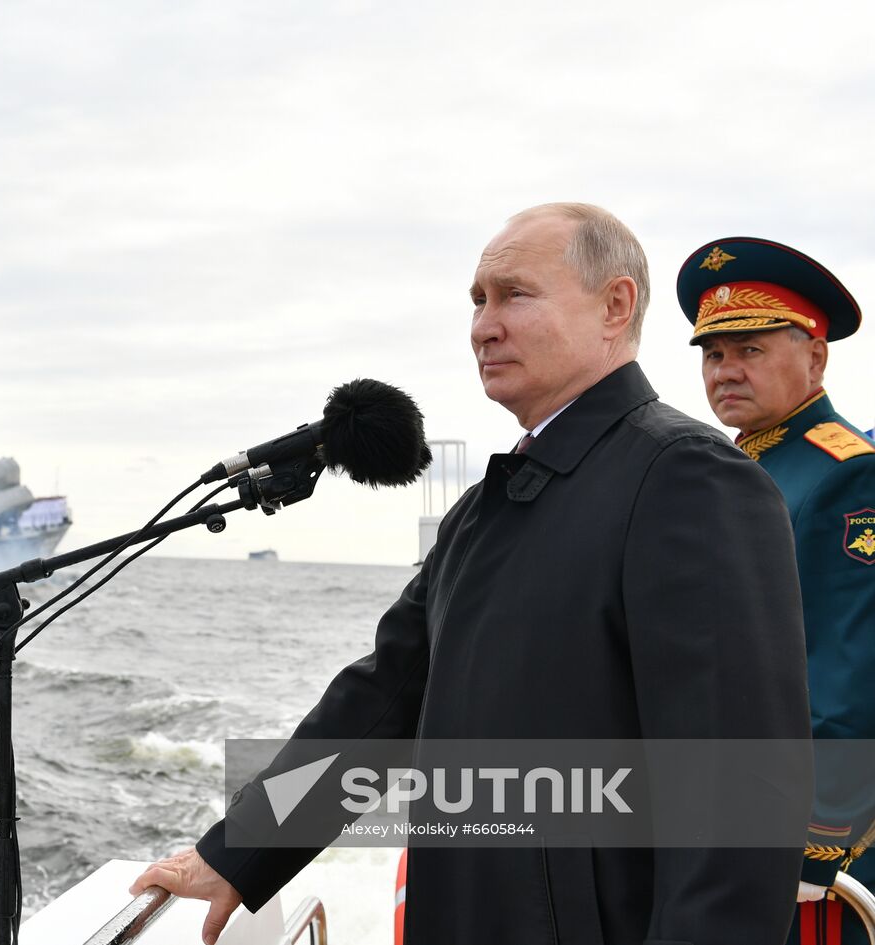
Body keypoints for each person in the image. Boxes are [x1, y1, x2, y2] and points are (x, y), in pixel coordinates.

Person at [131, 203, 813, 945]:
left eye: (514, 294)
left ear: (614, 306)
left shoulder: (685, 477)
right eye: (477, 300)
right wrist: (235, 852)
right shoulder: (485, 511)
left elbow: (741, 794)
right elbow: (379, 701)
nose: (483, 326)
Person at [678, 236, 875, 944]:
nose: (726, 370)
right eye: (713, 354)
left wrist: (817, 844)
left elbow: (849, 673)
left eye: (751, 349)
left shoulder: (847, 475)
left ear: (816, 356)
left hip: (810, 849)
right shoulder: (739, 470)